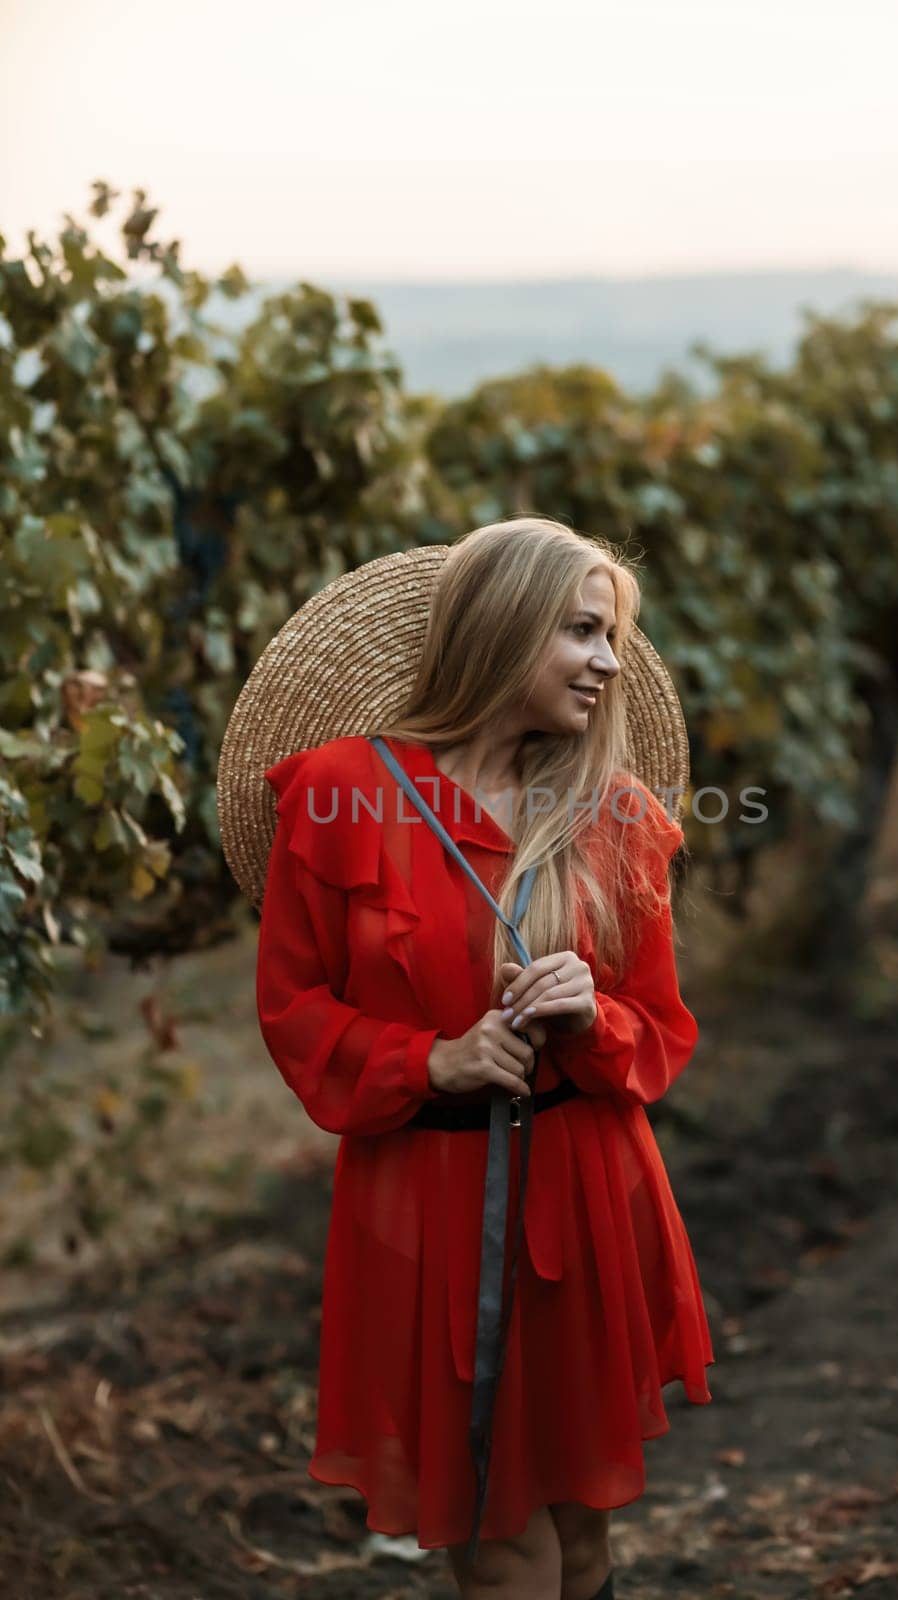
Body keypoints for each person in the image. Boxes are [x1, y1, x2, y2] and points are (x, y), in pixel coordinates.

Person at [226, 517, 715, 1600]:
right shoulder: (339, 795)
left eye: (612, 637)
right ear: (502, 628)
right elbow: (293, 1007)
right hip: (425, 1203)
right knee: (497, 1541)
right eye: (581, 632)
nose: (605, 661)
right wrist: (425, 1060)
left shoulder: (613, 815)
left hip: (585, 1187)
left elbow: (659, 1026)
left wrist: (594, 1018)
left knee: (580, 1538)